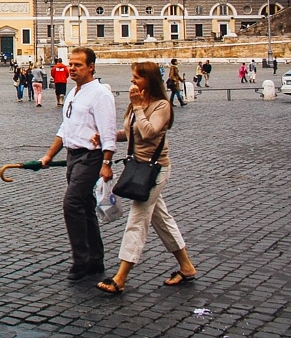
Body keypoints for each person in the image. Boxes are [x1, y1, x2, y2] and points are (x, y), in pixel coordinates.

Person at [96, 61, 197, 294]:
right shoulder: (137, 105)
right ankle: (186, 266)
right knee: (161, 219)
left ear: (149, 80)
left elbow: (149, 132)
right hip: (138, 167)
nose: (132, 81)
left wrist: (138, 107)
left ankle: (121, 277)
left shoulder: (161, 105)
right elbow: (131, 133)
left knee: (138, 218)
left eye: (136, 78)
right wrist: (104, 137)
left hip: (155, 170)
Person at [39, 47, 117, 281]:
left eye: (78, 65)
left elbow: (108, 132)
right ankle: (95, 259)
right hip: (73, 156)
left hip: (91, 157)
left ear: (91, 66)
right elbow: (66, 128)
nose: (72, 68)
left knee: (71, 203)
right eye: (70, 64)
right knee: (84, 207)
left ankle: (81, 260)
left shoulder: (101, 94)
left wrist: (106, 162)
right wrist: (49, 155)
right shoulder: (73, 93)